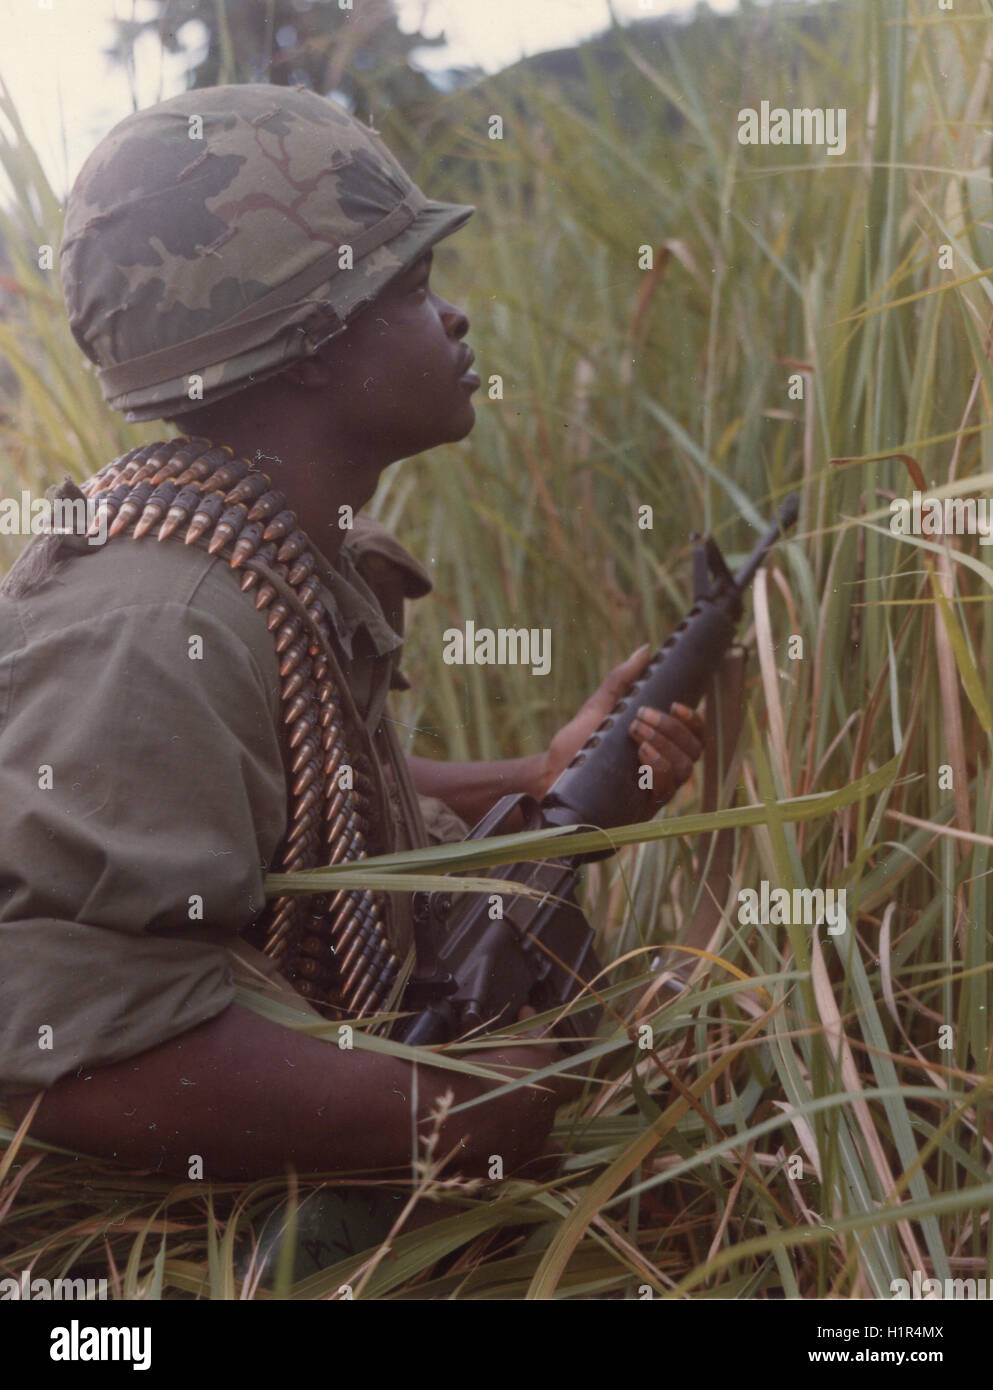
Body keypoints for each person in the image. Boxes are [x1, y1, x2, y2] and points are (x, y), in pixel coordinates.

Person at [0, 84, 703, 1185]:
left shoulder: (270, 557)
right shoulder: (159, 627)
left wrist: (535, 775)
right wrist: (444, 1116)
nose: (455, 317)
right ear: (313, 340)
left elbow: (282, 787)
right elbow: (70, 1049)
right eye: (415, 286)